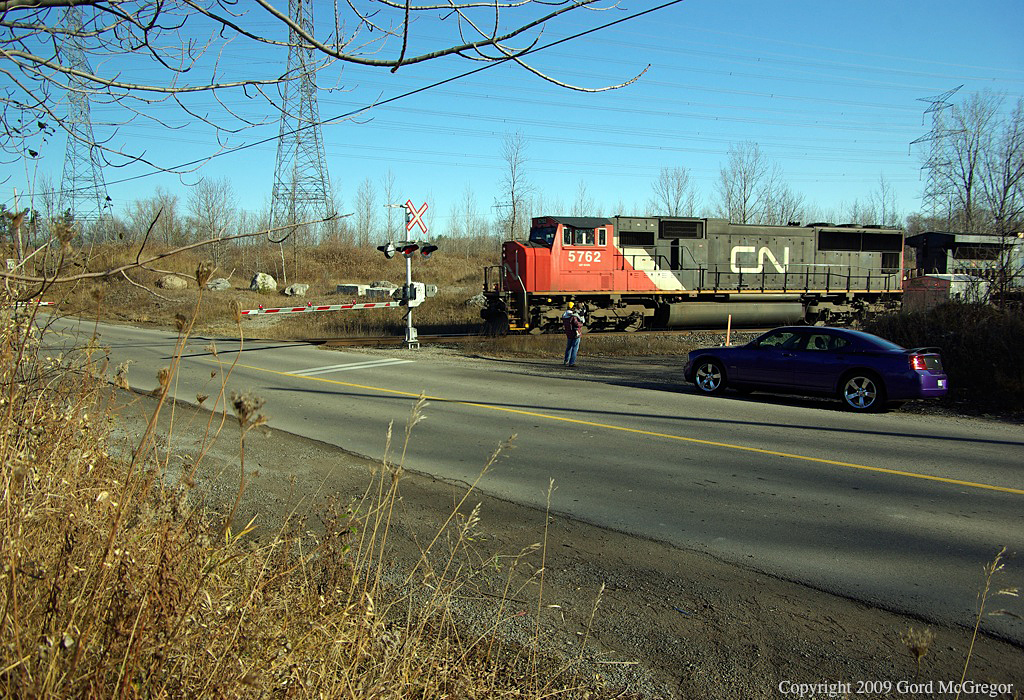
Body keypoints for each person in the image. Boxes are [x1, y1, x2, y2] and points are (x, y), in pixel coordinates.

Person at [561, 302, 583, 367]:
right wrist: (581, 324)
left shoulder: (564, 315)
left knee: (568, 347)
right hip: (575, 334)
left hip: (569, 333)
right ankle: (572, 362)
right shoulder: (573, 316)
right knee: (575, 348)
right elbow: (577, 323)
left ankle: (566, 361)